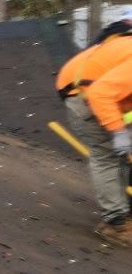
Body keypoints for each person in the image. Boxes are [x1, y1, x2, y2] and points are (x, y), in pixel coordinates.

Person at [56, 21, 132, 244]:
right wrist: (118, 132)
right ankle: (115, 225)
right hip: (84, 94)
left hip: (109, 93)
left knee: (121, 158)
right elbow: (101, 94)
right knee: (107, 156)